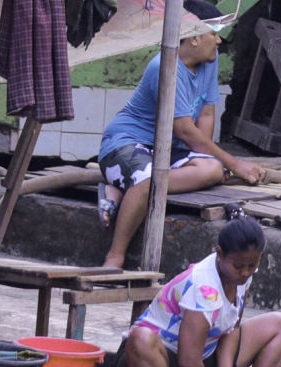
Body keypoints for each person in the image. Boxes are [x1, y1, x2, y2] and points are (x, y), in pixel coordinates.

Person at [98, 22, 263, 271]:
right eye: (213, 34)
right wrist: (236, 163)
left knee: (212, 170)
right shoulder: (164, 66)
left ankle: (122, 188)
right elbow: (186, 130)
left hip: (168, 148)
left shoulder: (210, 58)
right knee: (148, 179)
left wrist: (209, 157)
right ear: (194, 38)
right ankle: (114, 256)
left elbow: (206, 115)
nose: (219, 41)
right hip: (126, 143)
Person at [122, 215, 281, 367]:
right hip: (154, 363)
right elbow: (188, 360)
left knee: (280, 325)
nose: (245, 273)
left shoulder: (242, 278)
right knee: (142, 339)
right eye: (238, 266)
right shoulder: (203, 287)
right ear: (219, 254)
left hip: (205, 356)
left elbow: (232, 329)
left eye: (252, 265)